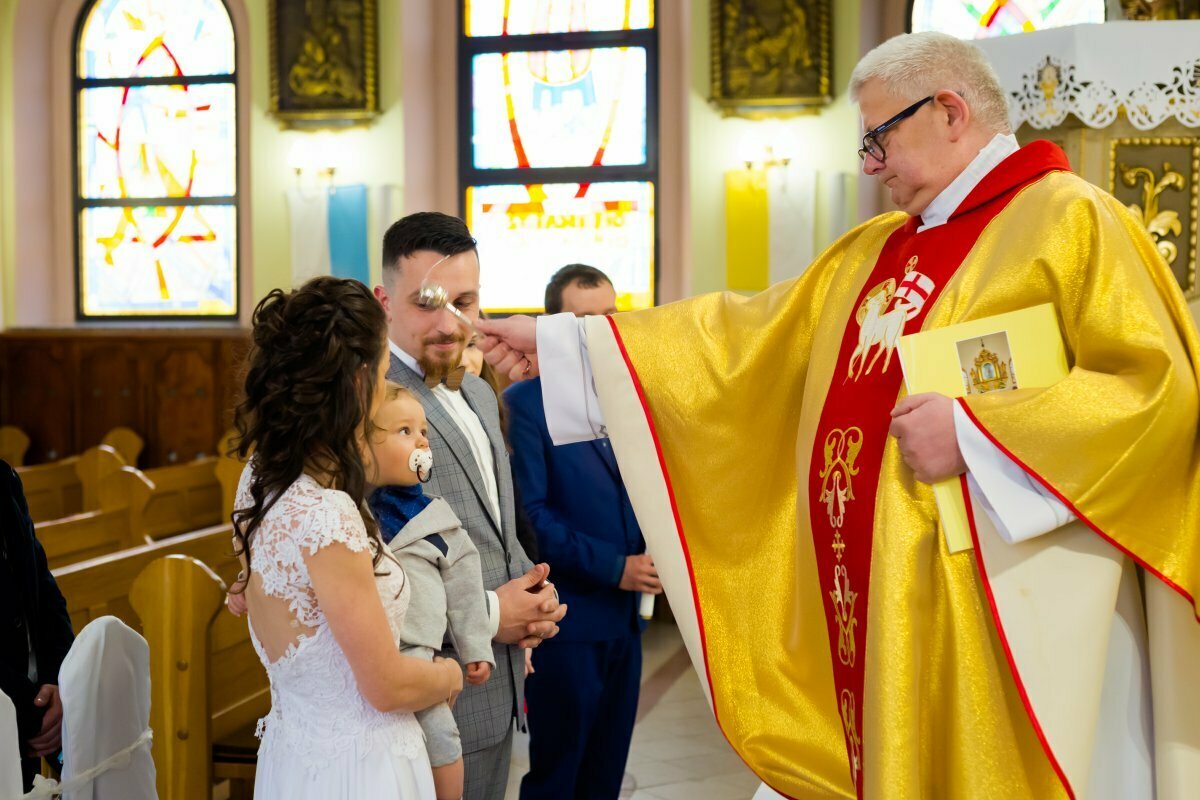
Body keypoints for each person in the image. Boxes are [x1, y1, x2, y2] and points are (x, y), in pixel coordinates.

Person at [476, 32, 1200, 800]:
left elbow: (1155, 395)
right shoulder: (872, 252)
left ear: (950, 111)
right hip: (878, 616)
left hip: (1011, 623)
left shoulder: (1070, 220)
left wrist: (978, 434)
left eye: (879, 137)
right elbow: (739, 343)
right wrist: (565, 347)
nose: (870, 164)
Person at [230, 276, 462, 799]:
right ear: (358, 382)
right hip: (363, 770)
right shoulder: (327, 516)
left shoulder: (260, 478)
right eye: (382, 371)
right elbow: (385, 685)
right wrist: (449, 675)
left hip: (296, 757)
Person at [374, 212, 567, 800]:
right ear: (385, 301)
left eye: (464, 302)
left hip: (498, 683)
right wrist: (491, 614)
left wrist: (530, 599)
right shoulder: (367, 404)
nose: (448, 323)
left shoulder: (480, 391)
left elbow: (496, 526)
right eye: (426, 303)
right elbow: (370, 564)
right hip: (428, 699)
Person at [505, 265, 661, 800]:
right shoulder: (526, 403)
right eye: (584, 321)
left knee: (606, 771)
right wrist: (616, 568)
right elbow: (531, 516)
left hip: (625, 621)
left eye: (610, 317)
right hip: (566, 620)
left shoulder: (628, 395)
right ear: (554, 327)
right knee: (558, 774)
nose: (601, 331)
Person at [366, 383, 496, 800]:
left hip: (417, 654)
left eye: (423, 431)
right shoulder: (349, 510)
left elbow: (465, 586)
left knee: (441, 735)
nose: (422, 440)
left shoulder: (437, 520)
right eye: (405, 431)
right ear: (363, 445)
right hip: (364, 653)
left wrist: (476, 647)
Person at [1, 461, 73, 792]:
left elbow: (43, 588)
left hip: (32, 708)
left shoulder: (4, 477)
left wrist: (59, 679)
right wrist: (31, 711)